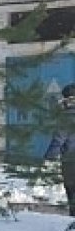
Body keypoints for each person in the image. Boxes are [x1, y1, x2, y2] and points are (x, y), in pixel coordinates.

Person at [44, 82, 75, 219]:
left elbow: (58, 140)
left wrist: (48, 158)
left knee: (72, 190)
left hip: (70, 161)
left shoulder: (66, 118)